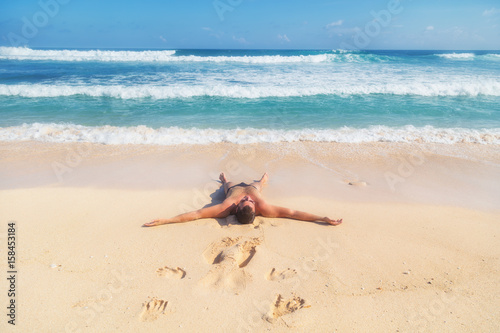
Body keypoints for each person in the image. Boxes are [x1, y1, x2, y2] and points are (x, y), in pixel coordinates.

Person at [143, 172, 342, 227]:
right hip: (255, 186)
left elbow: (196, 214)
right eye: (250, 201)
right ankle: (262, 180)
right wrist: (322, 218)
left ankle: (225, 180)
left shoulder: (226, 205)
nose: (248, 198)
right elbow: (293, 213)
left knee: (226, 186)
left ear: (236, 207)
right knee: (260, 184)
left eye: (246, 200)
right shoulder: (263, 206)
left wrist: (165, 220)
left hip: (232, 188)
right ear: (256, 209)